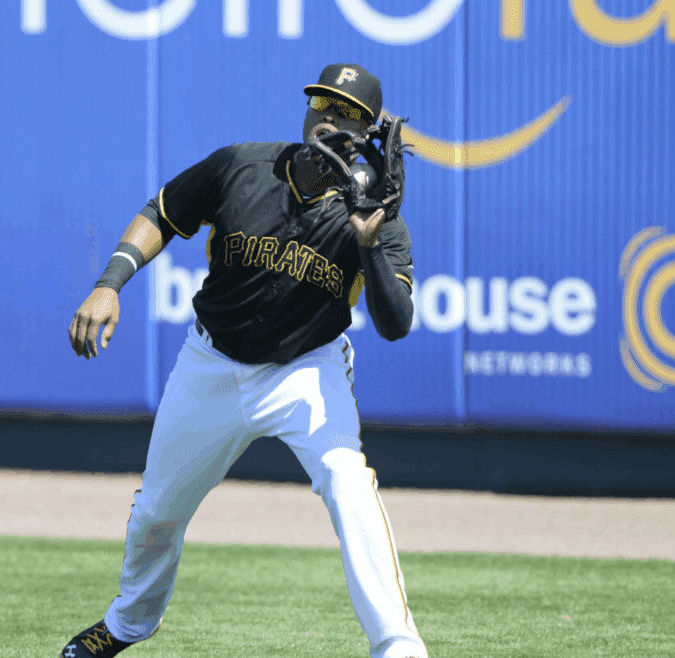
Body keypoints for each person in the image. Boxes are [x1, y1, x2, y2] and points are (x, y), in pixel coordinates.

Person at [63, 63, 426, 658]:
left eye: (345, 113)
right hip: (212, 362)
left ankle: (397, 645)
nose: (327, 119)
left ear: (365, 132)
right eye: (321, 105)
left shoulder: (376, 214)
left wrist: (366, 241)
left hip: (307, 369)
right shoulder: (244, 166)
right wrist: (110, 282)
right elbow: (163, 211)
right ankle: (129, 623)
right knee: (157, 510)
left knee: (349, 486)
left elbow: (396, 325)